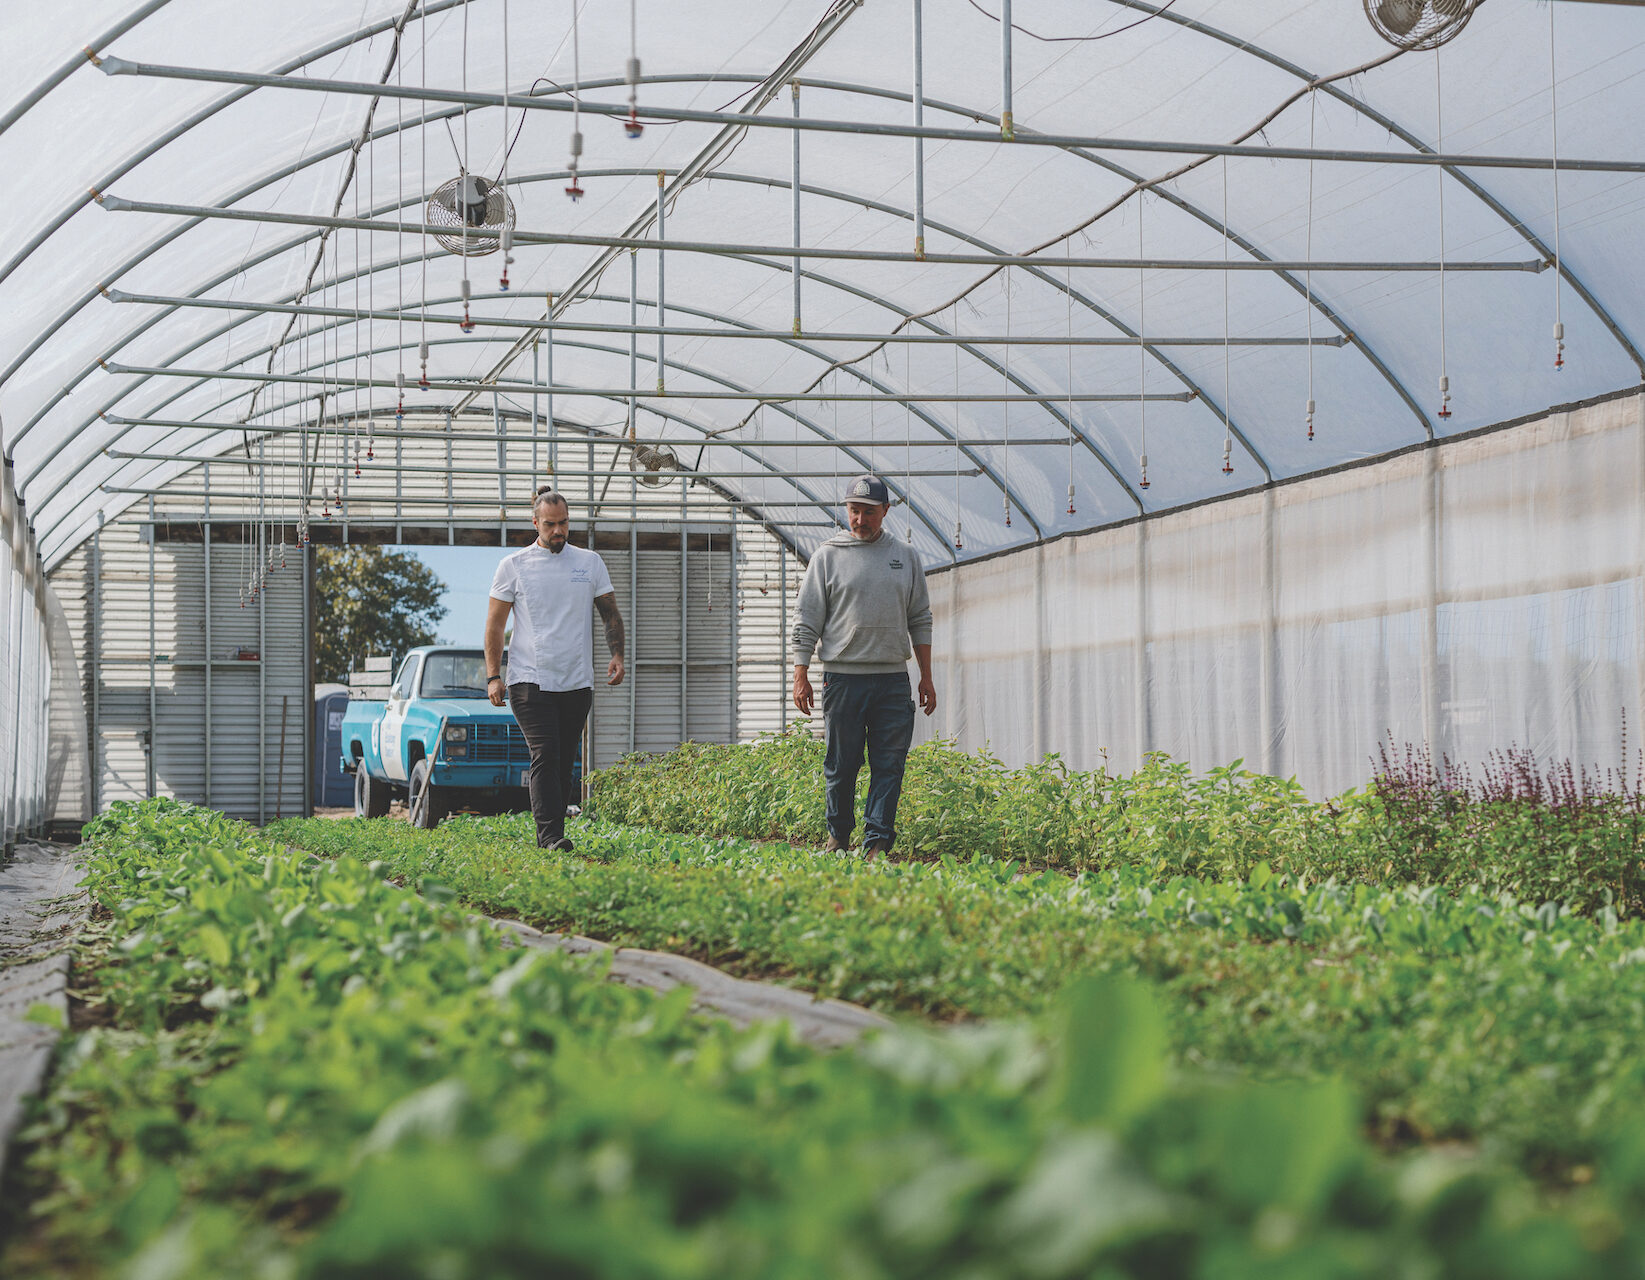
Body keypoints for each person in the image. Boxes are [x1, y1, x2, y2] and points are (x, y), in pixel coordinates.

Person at [791, 474, 937, 856]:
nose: (860, 519)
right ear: (846, 510)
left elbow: (920, 618)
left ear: (885, 511)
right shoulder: (827, 557)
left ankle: (876, 844)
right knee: (841, 765)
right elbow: (807, 618)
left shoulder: (905, 557)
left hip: (892, 680)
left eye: (869, 512)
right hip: (843, 680)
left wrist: (926, 677)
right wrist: (800, 673)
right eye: (854, 511)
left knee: (889, 766)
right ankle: (838, 837)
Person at [485, 488, 625, 852]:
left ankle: (553, 832)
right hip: (529, 679)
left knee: (564, 760)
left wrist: (617, 655)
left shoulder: (589, 562)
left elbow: (609, 612)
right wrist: (493, 675)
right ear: (535, 523)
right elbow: (495, 626)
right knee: (545, 753)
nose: (559, 531)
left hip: (577, 680)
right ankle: (549, 837)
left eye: (564, 523)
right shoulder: (513, 566)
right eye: (551, 525)